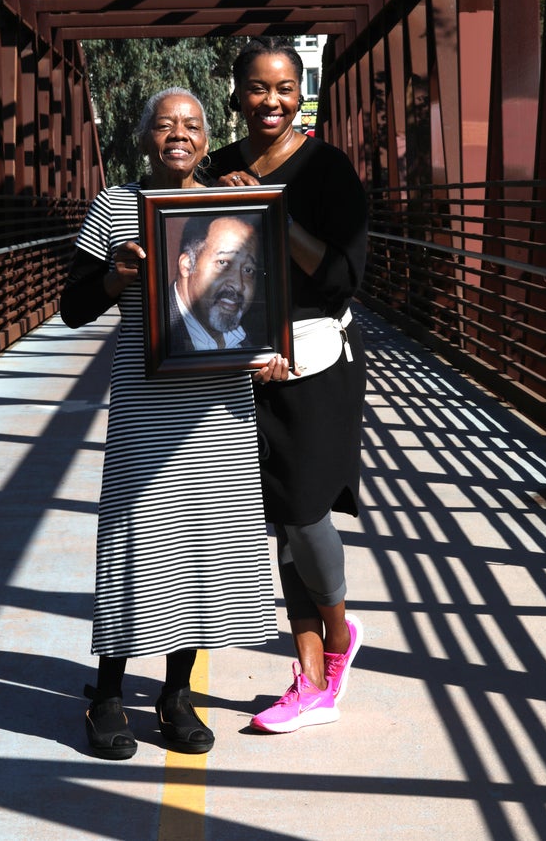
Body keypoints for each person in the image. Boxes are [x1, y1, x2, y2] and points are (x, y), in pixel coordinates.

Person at [60, 87, 290, 758]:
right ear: (145, 138)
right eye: (165, 125)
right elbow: (72, 308)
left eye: (191, 124)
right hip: (145, 410)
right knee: (135, 548)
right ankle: (106, 694)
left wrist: (272, 352)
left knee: (200, 551)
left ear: (207, 133)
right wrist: (112, 277)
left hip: (218, 412)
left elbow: (267, 293)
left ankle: (174, 696)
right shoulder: (114, 207)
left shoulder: (231, 200)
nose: (179, 134)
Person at [210, 38, 368, 734]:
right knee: (278, 522)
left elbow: (341, 276)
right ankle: (308, 679)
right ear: (236, 94)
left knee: (305, 513)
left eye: (283, 88)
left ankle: (337, 637)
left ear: (301, 93)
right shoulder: (219, 167)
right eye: (255, 87)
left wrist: (273, 211)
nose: (269, 100)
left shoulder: (328, 169)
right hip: (240, 361)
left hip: (310, 360)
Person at [170, 213, 261, 352]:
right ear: (187, 265)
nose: (238, 285)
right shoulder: (152, 333)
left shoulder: (255, 341)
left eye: (248, 270)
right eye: (223, 262)